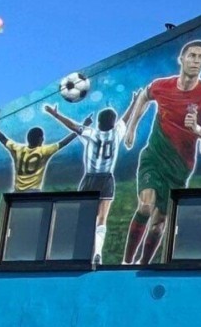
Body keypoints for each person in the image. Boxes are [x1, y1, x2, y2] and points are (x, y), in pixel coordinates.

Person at [119, 40, 201, 263]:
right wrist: (132, 127)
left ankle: (143, 265)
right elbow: (144, 96)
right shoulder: (162, 86)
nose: (196, 61)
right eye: (192, 56)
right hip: (154, 156)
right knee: (145, 206)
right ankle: (126, 262)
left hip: (180, 166)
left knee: (158, 223)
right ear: (181, 59)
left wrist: (197, 129)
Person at [45, 99, 134, 266]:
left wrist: (56, 114)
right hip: (106, 179)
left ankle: (79, 253)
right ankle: (97, 252)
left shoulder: (90, 133)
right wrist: (134, 102)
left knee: (85, 218)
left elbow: (73, 126)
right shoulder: (116, 133)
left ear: (98, 122)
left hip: (89, 178)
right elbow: (126, 118)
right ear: (113, 123)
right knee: (102, 218)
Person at [0, 119, 77, 192]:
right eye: (42, 137)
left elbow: (2, 138)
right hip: (33, 192)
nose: (43, 139)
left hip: (18, 192)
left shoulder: (17, 149)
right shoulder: (44, 151)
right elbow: (63, 143)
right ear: (40, 139)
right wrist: (78, 130)